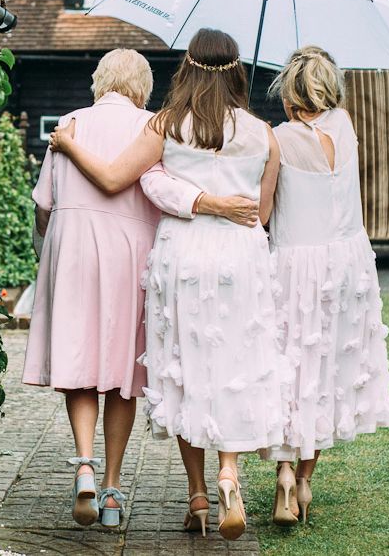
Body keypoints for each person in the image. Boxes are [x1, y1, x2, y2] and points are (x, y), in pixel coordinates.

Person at [49, 29, 288, 540]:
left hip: (184, 255)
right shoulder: (265, 135)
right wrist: (226, 202)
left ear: (188, 68)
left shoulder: (166, 124)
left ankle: (197, 494)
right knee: (234, 365)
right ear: (237, 71)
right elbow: (262, 214)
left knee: (185, 368)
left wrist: (199, 201)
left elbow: (143, 182)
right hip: (241, 257)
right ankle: (229, 473)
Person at [263, 46, 389, 525]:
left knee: (286, 367)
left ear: (291, 95)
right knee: (324, 372)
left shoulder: (276, 138)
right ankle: (305, 478)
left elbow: (264, 211)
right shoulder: (345, 126)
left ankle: (281, 469)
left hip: (294, 265)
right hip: (346, 265)